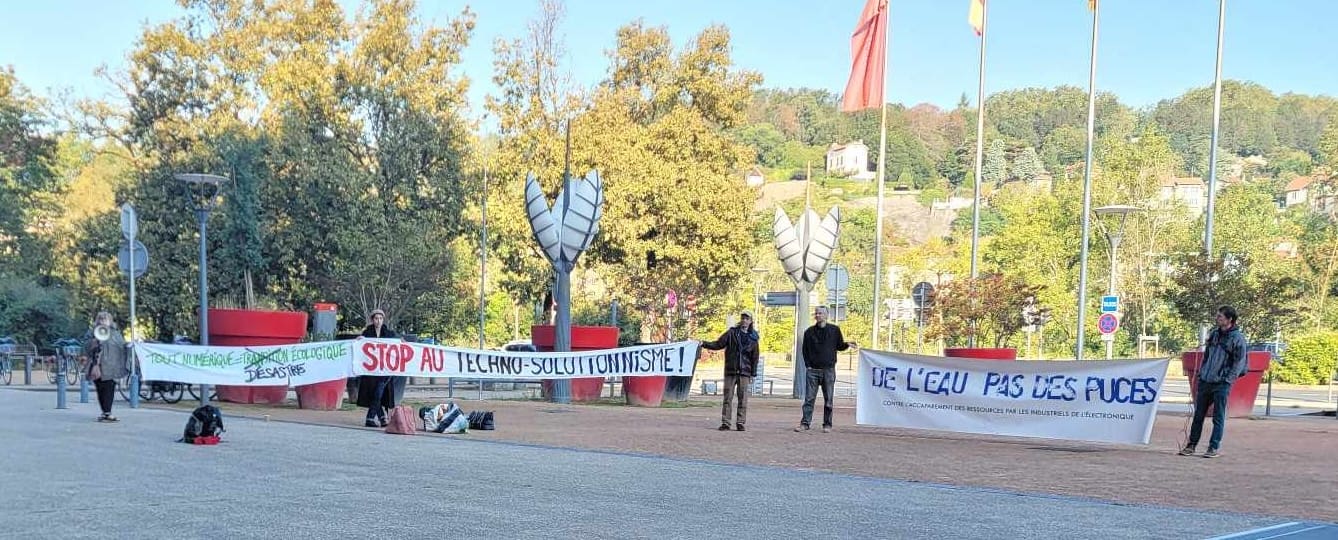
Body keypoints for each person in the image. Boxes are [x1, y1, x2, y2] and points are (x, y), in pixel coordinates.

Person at [1179, 305, 1248, 459]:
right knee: (1198, 415)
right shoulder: (1214, 335)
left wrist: (1228, 379)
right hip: (1206, 381)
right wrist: (1202, 373)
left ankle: (1213, 447)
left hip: (1221, 383)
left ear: (1230, 320)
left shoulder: (1237, 339)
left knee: (1218, 416)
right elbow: (1207, 356)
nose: (1217, 319)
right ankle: (1191, 445)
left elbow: (1239, 362)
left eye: (1220, 317)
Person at [796, 306, 856, 433]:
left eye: (821, 313)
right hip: (812, 371)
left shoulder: (834, 330)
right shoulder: (809, 332)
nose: (818, 315)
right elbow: (805, 351)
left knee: (828, 399)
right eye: (816, 313)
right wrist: (808, 365)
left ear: (826, 315)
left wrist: (847, 345)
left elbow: (839, 346)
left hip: (828, 370)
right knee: (809, 399)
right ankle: (805, 423)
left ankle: (827, 424)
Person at [700, 312, 760, 431]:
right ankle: (726, 422)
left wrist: (753, 373)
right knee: (727, 397)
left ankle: (740, 422)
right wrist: (704, 343)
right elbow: (718, 344)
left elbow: (755, 357)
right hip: (731, 371)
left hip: (745, 372)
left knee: (743, 398)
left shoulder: (753, 338)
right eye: (743, 318)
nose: (744, 321)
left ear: (751, 321)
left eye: (747, 319)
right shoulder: (732, 333)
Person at [356, 309, 399, 428]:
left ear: (383, 320)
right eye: (376, 318)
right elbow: (360, 346)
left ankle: (370, 418)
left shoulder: (389, 333)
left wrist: (402, 342)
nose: (378, 321)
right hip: (371, 370)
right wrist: (359, 340)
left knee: (379, 392)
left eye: (380, 318)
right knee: (375, 393)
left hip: (385, 370)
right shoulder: (367, 333)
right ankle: (382, 418)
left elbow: (398, 343)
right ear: (372, 320)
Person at [83, 312, 129, 422]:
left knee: (109, 387)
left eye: (105, 319)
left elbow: (121, 346)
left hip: (111, 366)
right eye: (101, 319)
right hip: (96, 365)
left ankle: (107, 412)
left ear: (110, 320)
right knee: (100, 388)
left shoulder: (115, 333)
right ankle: (105, 412)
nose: (103, 321)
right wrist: (94, 342)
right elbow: (85, 346)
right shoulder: (92, 332)